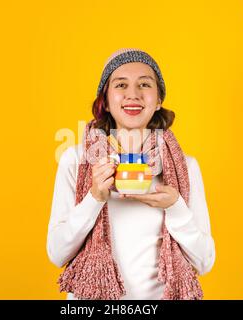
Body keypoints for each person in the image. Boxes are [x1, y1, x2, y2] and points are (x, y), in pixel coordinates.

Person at [47, 48, 215, 300]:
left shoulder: (185, 167)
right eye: (121, 84)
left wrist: (176, 207)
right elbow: (57, 253)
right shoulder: (77, 161)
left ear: (158, 100)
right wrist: (94, 198)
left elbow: (204, 262)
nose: (133, 94)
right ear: (105, 98)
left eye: (144, 84)